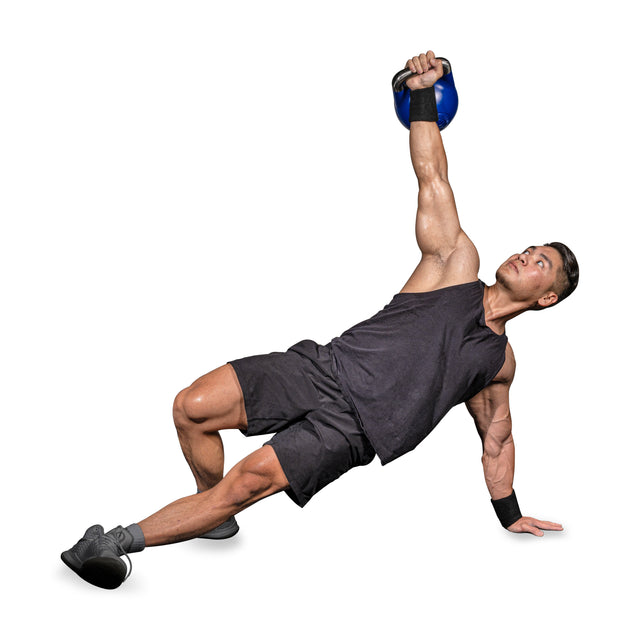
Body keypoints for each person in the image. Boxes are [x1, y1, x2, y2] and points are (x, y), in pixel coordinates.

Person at [61, 51, 579, 590]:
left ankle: (116, 541)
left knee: (245, 482)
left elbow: (497, 439)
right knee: (191, 407)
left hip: (352, 429)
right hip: (320, 366)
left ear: (546, 299)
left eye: (540, 262)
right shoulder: (456, 264)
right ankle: (211, 516)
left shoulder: (497, 363)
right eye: (528, 247)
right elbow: (432, 178)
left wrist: (509, 512)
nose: (524, 255)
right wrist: (423, 93)